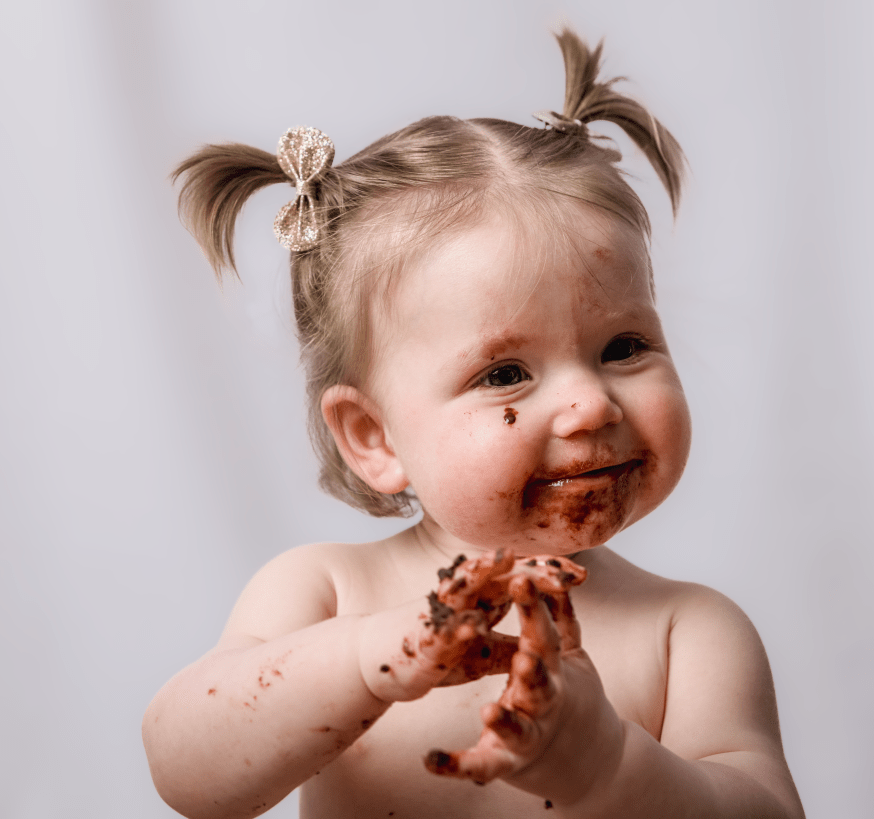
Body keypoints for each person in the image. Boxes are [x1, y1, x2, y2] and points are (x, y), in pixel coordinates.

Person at [142, 29, 804, 819]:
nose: (591, 405)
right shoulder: (328, 594)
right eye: (504, 374)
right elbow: (190, 774)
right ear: (374, 437)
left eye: (623, 346)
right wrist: (367, 661)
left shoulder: (689, 632)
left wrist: (610, 769)